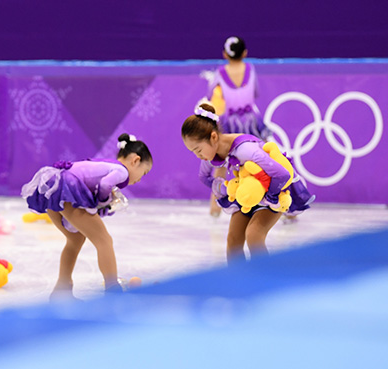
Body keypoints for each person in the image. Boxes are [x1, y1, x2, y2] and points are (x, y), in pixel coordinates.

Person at [21, 133, 152, 300]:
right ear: (135, 160)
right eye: (144, 172)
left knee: (75, 240)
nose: (140, 179)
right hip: (67, 188)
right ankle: (113, 290)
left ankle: (62, 288)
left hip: (53, 187)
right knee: (104, 240)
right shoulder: (122, 171)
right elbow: (104, 185)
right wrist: (104, 200)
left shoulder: (107, 164)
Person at [181, 104, 313, 264]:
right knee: (233, 240)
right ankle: (238, 283)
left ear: (213, 137)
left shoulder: (245, 150)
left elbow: (283, 174)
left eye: (198, 150)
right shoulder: (212, 153)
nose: (198, 156)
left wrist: (270, 196)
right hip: (247, 194)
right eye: (193, 152)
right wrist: (225, 187)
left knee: (254, 234)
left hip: (275, 190)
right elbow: (204, 176)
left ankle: (265, 281)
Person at [205, 36, 269, 216]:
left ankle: (214, 210)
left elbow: (212, 95)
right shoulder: (251, 69)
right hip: (251, 122)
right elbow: (255, 92)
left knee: (221, 165)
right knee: (264, 161)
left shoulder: (219, 73)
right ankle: (281, 206)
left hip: (229, 123)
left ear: (225, 54)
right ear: (245, 53)